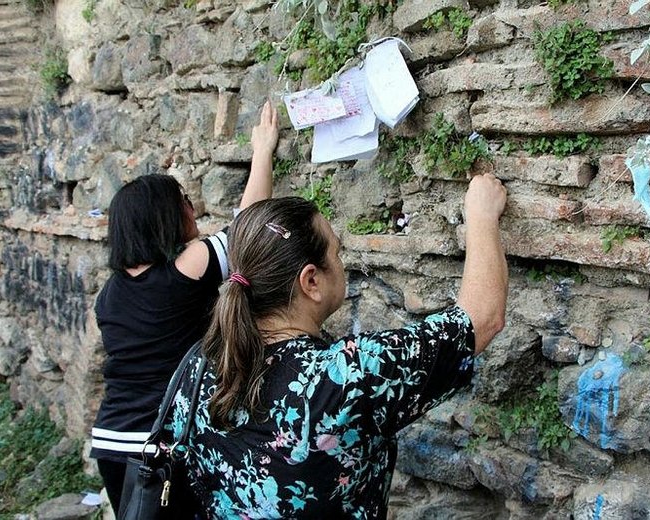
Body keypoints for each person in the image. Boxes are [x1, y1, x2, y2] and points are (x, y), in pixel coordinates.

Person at [166, 172, 509, 519]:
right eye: (336, 252)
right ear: (311, 281)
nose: (341, 262)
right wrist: (481, 215)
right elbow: (481, 320)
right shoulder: (344, 377)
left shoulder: (198, 367)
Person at [90, 101, 279, 515]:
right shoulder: (183, 271)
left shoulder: (111, 293)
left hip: (110, 440)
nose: (191, 207)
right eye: (183, 201)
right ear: (164, 217)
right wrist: (262, 151)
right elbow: (246, 228)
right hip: (158, 446)